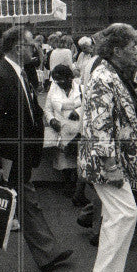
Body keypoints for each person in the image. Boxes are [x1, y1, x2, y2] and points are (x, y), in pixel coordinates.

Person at [0, 27, 73, 272]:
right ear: (17, 47)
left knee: (26, 203)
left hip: (19, 156)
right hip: (5, 158)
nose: (34, 50)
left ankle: (48, 252)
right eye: (30, 46)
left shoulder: (18, 73)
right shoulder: (3, 77)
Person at [80, 24, 137, 272]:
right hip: (105, 161)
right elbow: (100, 124)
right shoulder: (103, 77)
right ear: (117, 50)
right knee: (126, 214)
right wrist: (110, 164)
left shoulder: (112, 73)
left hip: (110, 160)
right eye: (132, 47)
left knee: (117, 216)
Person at [43, 63, 85, 204]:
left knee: (79, 160)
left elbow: (88, 105)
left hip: (78, 129)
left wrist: (78, 112)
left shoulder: (81, 88)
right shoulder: (53, 90)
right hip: (62, 130)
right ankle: (68, 185)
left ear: (70, 77)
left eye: (62, 79)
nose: (59, 82)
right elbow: (48, 109)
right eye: (56, 80)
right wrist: (52, 120)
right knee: (64, 160)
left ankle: (79, 190)